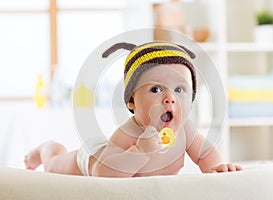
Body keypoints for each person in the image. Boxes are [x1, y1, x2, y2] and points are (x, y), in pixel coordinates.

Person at [24, 41, 242, 177]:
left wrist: (217, 168)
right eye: (156, 89)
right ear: (132, 101)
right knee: (55, 165)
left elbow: (206, 155)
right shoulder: (129, 134)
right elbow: (103, 172)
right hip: (95, 158)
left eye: (179, 89)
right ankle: (47, 149)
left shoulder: (186, 130)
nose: (170, 98)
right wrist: (139, 151)